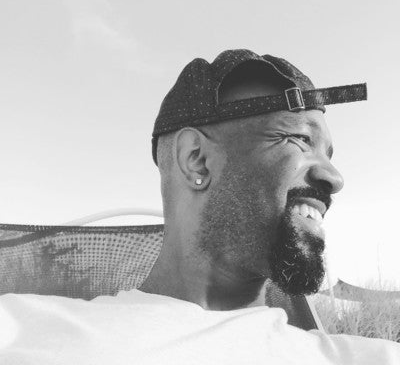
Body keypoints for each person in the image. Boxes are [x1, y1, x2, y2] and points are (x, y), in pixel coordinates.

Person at [0, 49, 398, 364]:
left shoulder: (366, 357)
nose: (335, 178)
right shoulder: (20, 331)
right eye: (299, 139)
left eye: (328, 153)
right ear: (197, 160)